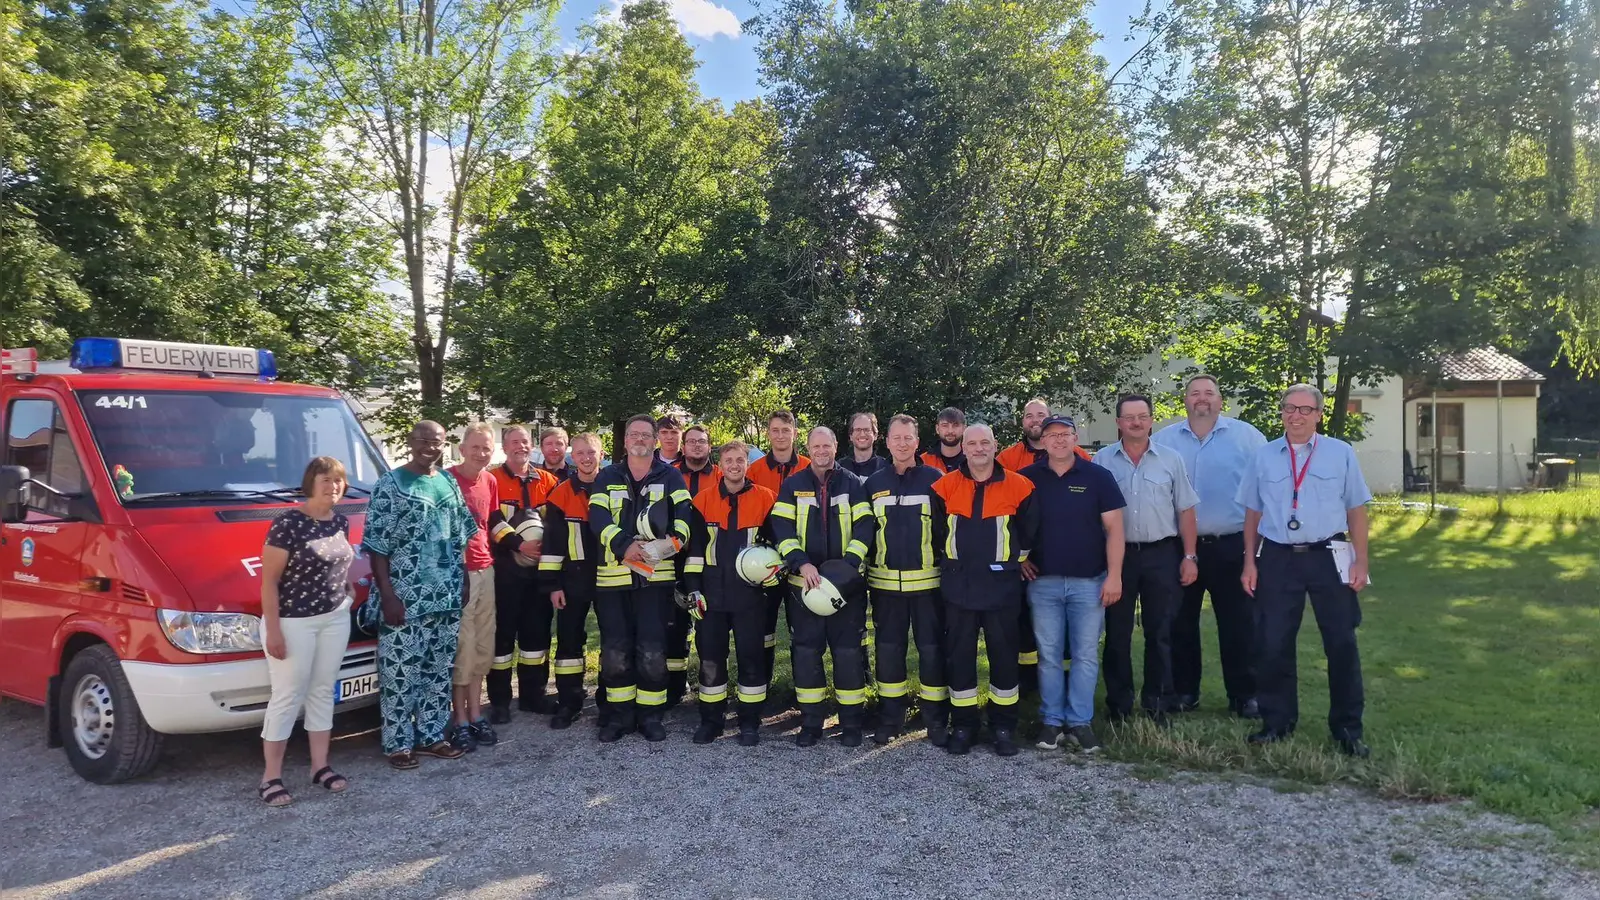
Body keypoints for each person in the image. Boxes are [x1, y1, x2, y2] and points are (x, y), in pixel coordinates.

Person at [1238, 384, 1373, 758]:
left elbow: (1357, 511)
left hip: (1329, 554)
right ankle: (1277, 722)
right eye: (1288, 408)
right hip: (1278, 557)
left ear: (1318, 414)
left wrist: (1361, 561)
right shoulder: (1263, 456)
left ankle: (1347, 728)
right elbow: (1252, 513)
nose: (1295, 416)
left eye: (1304, 409)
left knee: (1341, 642)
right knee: (1273, 643)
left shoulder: (1340, 453)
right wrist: (1249, 562)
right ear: (1281, 412)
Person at [364, 421, 478, 769]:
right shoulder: (391, 484)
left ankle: (431, 736)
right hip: (405, 597)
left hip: (444, 595)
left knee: (439, 670)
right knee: (400, 672)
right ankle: (398, 743)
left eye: (438, 442)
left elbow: (460, 534)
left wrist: (464, 581)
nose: (431, 446)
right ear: (411, 442)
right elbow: (377, 545)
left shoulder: (447, 482)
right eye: (424, 440)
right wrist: (388, 595)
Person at [1153, 374, 1268, 717]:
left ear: (1221, 400)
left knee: (1239, 624)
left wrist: (1256, 551)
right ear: (1185, 400)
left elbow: (1263, 494)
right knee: (1179, 623)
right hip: (1177, 548)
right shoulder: (1163, 441)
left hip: (1232, 546)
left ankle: (1244, 695)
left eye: (1209, 393)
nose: (1202, 399)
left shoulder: (1248, 438)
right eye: (1195, 393)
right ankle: (1185, 692)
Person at [931, 424, 1037, 756]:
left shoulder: (1021, 486)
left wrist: (1012, 563)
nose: (978, 448)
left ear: (995, 447)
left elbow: (1029, 534)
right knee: (959, 658)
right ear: (963, 448)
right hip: (958, 587)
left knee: (1004, 658)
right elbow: (936, 534)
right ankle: (963, 725)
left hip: (1001, 588)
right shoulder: (944, 486)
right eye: (972, 443)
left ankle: (1003, 726)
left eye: (985, 443)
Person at [1093, 394, 1199, 725]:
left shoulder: (1171, 459)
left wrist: (1190, 556)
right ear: (1119, 423)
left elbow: (1186, 510)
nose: (1136, 423)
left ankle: (1158, 703)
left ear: (1152, 419)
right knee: (1117, 634)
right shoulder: (1102, 461)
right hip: (1118, 557)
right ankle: (1119, 705)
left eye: (1142, 416)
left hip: (1162, 554)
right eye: (1129, 417)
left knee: (1161, 631)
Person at [587, 414, 694, 742]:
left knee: (652, 650)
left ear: (655, 441)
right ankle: (620, 717)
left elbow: (686, 520)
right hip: (613, 579)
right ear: (625, 441)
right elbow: (598, 517)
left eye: (646, 435)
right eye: (634, 434)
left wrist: (667, 546)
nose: (640, 440)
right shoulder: (607, 476)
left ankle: (650, 716)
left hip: (655, 580)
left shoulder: (671, 476)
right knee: (616, 651)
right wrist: (625, 546)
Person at [1022, 416, 1125, 754]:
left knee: (1084, 655)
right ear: (1043, 440)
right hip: (1044, 583)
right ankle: (1051, 721)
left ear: (1075, 437)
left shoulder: (1098, 476)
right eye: (1051, 435)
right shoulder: (1028, 478)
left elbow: (1115, 530)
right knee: (1049, 655)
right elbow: (1008, 523)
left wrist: (1114, 576)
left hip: (1089, 582)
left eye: (1065, 434)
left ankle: (1080, 722)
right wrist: (1019, 559)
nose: (1059, 440)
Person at [257, 457, 356, 806]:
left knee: (322, 691)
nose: (333, 486)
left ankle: (320, 766)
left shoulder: (339, 521)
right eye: (326, 480)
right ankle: (271, 777)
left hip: (333, 619)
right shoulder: (288, 524)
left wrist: (347, 591)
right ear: (311, 483)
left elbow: (338, 565)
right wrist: (273, 632)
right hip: (292, 622)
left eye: (339, 481)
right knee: (287, 696)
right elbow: (268, 582)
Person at [770, 426, 875, 747]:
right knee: (806, 654)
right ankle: (812, 722)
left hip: (845, 589)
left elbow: (865, 525)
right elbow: (781, 528)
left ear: (834, 447)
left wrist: (846, 569)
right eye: (815, 446)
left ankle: (851, 723)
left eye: (826, 445)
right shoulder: (793, 485)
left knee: (847, 655)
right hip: (804, 587)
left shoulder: (852, 483)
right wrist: (802, 562)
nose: (821, 450)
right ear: (809, 448)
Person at [680, 440, 777, 746]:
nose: (735, 465)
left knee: (751, 658)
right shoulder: (703, 500)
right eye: (729, 461)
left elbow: (775, 546)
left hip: (751, 597)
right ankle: (711, 721)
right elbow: (694, 552)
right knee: (710, 659)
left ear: (747, 464)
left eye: (740, 460)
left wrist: (771, 577)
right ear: (720, 465)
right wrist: (693, 590)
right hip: (711, 596)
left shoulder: (767, 498)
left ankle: (750, 722)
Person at [864, 414, 949, 745]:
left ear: (917, 441)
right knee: (888, 652)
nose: (902, 443)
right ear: (886, 441)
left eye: (908, 438)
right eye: (896, 437)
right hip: (884, 588)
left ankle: (936, 720)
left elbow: (945, 531)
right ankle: (890, 720)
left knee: (931, 652)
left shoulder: (935, 479)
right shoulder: (872, 484)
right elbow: (865, 533)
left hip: (928, 586)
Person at [486, 426, 560, 722]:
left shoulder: (548, 481)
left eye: (525, 442)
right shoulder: (491, 479)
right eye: (514, 442)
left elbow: (556, 521)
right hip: (505, 574)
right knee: (502, 640)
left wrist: (543, 548)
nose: (521, 446)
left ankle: (533, 696)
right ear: (504, 447)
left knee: (536, 638)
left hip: (538, 575)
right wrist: (519, 544)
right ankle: (500, 702)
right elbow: (490, 518)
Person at [539, 432, 607, 728]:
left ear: (601, 454)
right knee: (568, 644)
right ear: (572, 456)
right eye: (580, 453)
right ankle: (569, 702)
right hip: (571, 580)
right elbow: (552, 543)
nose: (586, 458)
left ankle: (609, 701)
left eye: (591, 452)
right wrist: (552, 585)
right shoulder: (560, 494)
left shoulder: (615, 487)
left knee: (614, 641)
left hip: (610, 578)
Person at [446, 424, 500, 752]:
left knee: (482, 644)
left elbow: (490, 524)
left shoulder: (490, 481)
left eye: (486, 448)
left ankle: (477, 714)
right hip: (458, 573)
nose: (481, 453)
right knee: (462, 646)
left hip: (486, 569)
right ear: (462, 448)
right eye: (475, 447)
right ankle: (460, 719)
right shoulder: (447, 481)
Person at [747, 410, 810, 685]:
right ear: (768, 433)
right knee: (763, 628)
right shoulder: (755, 470)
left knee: (803, 629)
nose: (781, 435)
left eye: (786, 429)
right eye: (775, 430)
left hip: (802, 558)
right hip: (765, 559)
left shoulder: (809, 467)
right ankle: (761, 688)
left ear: (795, 433)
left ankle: (803, 689)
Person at [667, 423, 721, 705]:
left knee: (707, 625)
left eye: (702, 442)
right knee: (674, 625)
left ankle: (710, 687)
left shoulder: (722, 476)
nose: (697, 446)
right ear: (683, 446)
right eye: (691, 442)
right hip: (673, 559)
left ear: (709, 446)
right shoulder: (668, 475)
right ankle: (676, 688)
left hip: (710, 563)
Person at [839, 411, 888, 479]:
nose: (862, 434)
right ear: (850, 436)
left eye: (867, 430)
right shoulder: (839, 469)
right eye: (858, 430)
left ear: (875, 435)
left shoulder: (886, 467)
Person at [919, 407, 967, 473]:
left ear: (964, 429)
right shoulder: (923, 461)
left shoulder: (971, 460)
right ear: (937, 429)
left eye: (955, 425)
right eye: (945, 425)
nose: (950, 431)